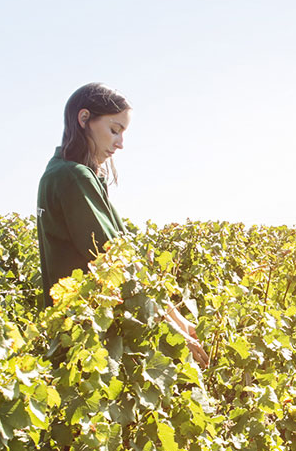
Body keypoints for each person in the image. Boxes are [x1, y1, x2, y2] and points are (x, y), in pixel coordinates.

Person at [36, 82, 207, 365]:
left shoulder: (61, 173)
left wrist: (178, 320)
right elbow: (119, 265)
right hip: (92, 340)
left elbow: (125, 259)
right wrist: (177, 332)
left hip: (76, 335)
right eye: (114, 130)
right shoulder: (73, 177)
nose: (120, 143)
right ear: (84, 119)